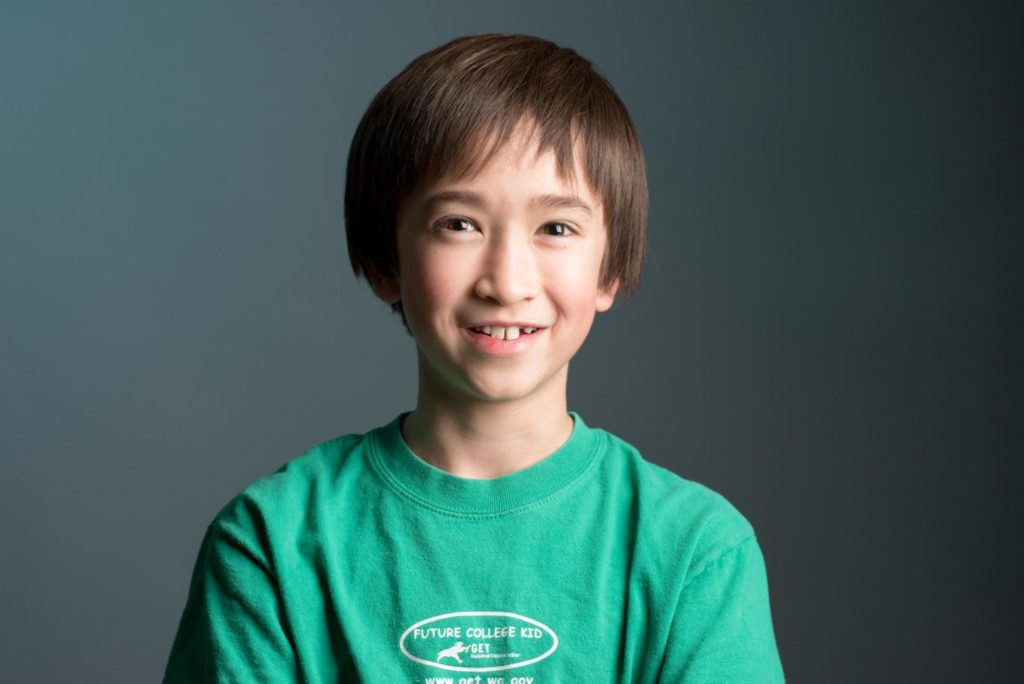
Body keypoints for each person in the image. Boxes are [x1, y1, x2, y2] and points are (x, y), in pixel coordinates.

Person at [163, 33, 785, 683]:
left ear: (610, 270)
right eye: (459, 223)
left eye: (556, 228)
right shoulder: (270, 542)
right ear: (386, 261)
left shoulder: (695, 551)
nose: (507, 281)